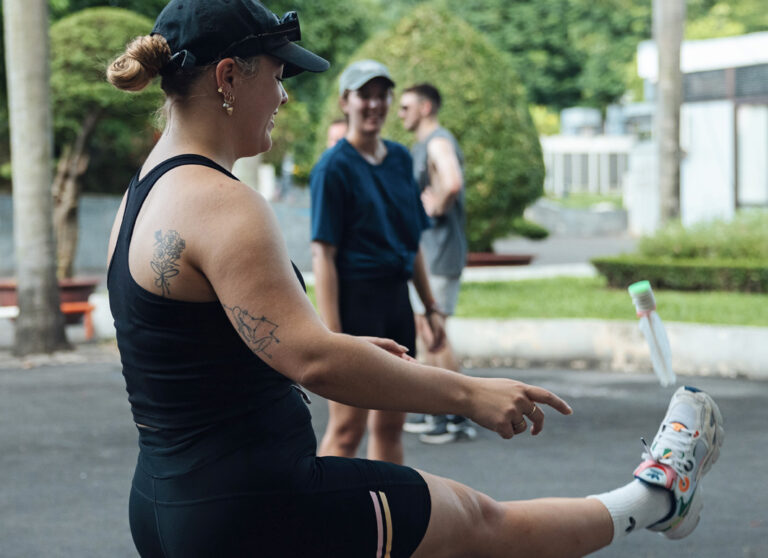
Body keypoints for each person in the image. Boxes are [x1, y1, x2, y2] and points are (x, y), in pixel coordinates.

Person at [105, 1, 724, 556]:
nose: (285, 95)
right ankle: (660, 498)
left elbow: (192, 351)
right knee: (482, 524)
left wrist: (338, 348)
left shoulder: (141, 195)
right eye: (277, 73)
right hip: (259, 506)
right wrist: (467, 393)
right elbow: (314, 363)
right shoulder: (223, 202)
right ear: (228, 77)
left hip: (164, 508)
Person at [310, 60, 447, 465]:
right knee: (348, 427)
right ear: (345, 102)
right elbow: (324, 255)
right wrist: (332, 337)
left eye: (381, 94)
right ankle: (322, 523)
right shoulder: (333, 168)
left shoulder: (401, 160)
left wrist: (430, 307)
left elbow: (413, 240)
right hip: (355, 304)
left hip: (395, 303)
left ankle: (389, 518)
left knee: (390, 425)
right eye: (363, 95)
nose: (374, 104)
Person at [398, 83, 473, 444]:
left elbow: (453, 182)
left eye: (406, 106)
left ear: (426, 107)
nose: (400, 114)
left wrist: (435, 206)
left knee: (434, 333)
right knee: (429, 333)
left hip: (439, 251)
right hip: (431, 251)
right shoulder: (424, 144)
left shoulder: (437, 141)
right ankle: (442, 410)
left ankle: (455, 414)